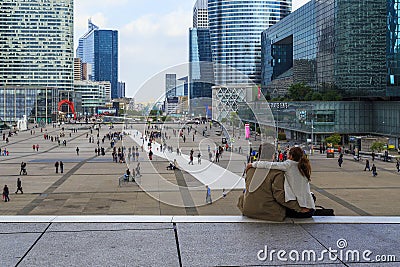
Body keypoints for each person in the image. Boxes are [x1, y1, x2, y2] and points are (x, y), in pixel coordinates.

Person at [245, 146, 315, 218]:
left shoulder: (288, 164)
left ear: (290, 156)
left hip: (299, 209)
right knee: (311, 196)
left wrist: (252, 164)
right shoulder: (302, 167)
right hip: (309, 208)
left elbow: (270, 165)